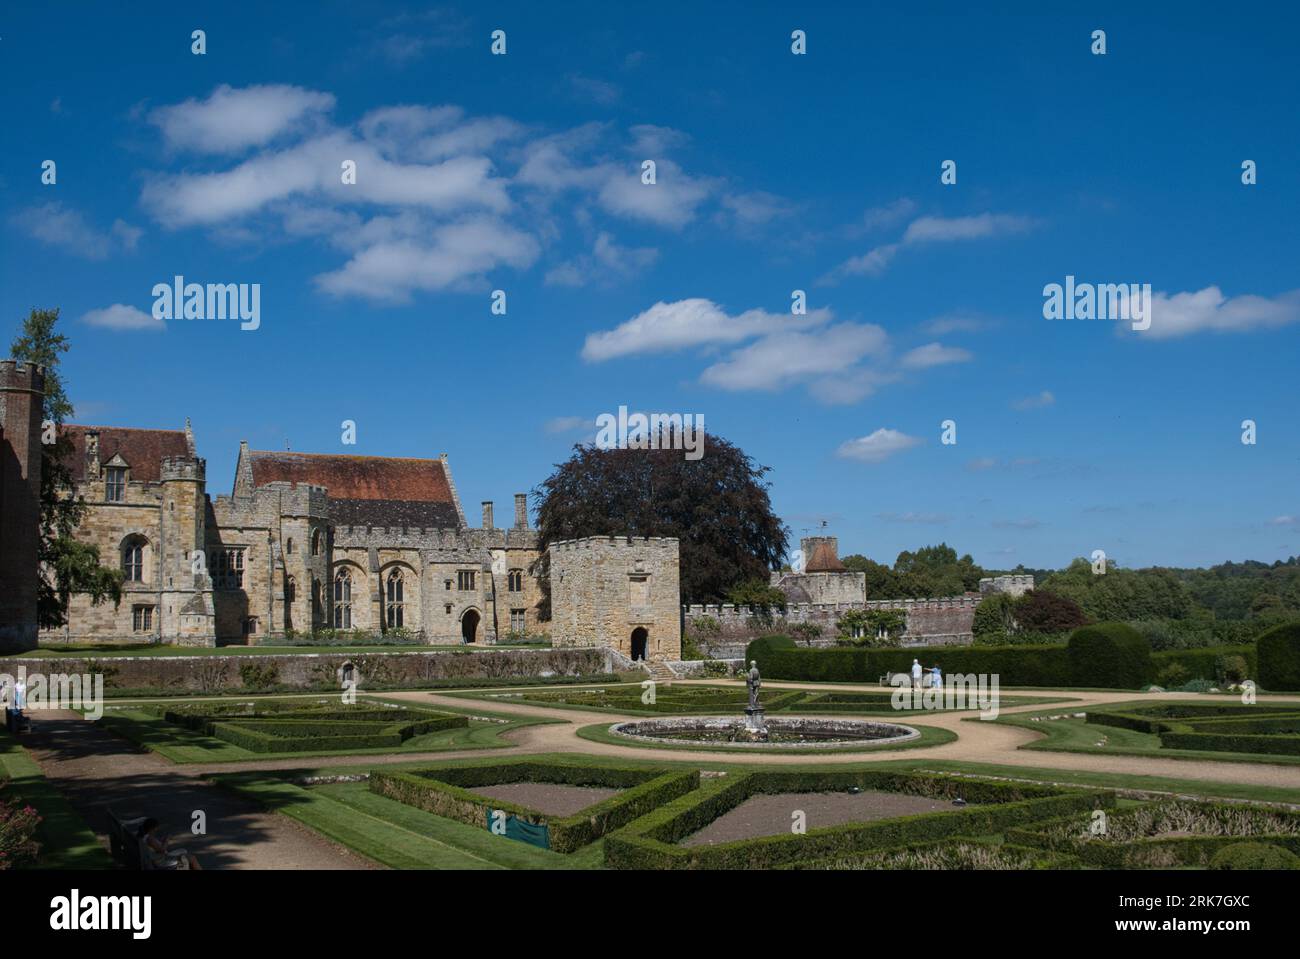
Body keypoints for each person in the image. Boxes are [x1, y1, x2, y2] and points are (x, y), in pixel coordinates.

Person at [137, 818, 201, 871]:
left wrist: (162, 842)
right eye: (156, 828)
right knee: (192, 858)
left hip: (159, 859)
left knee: (184, 852)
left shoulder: (144, 837)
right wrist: (166, 840)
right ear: (152, 828)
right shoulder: (149, 839)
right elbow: (162, 850)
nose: (156, 829)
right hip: (162, 862)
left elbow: (156, 848)